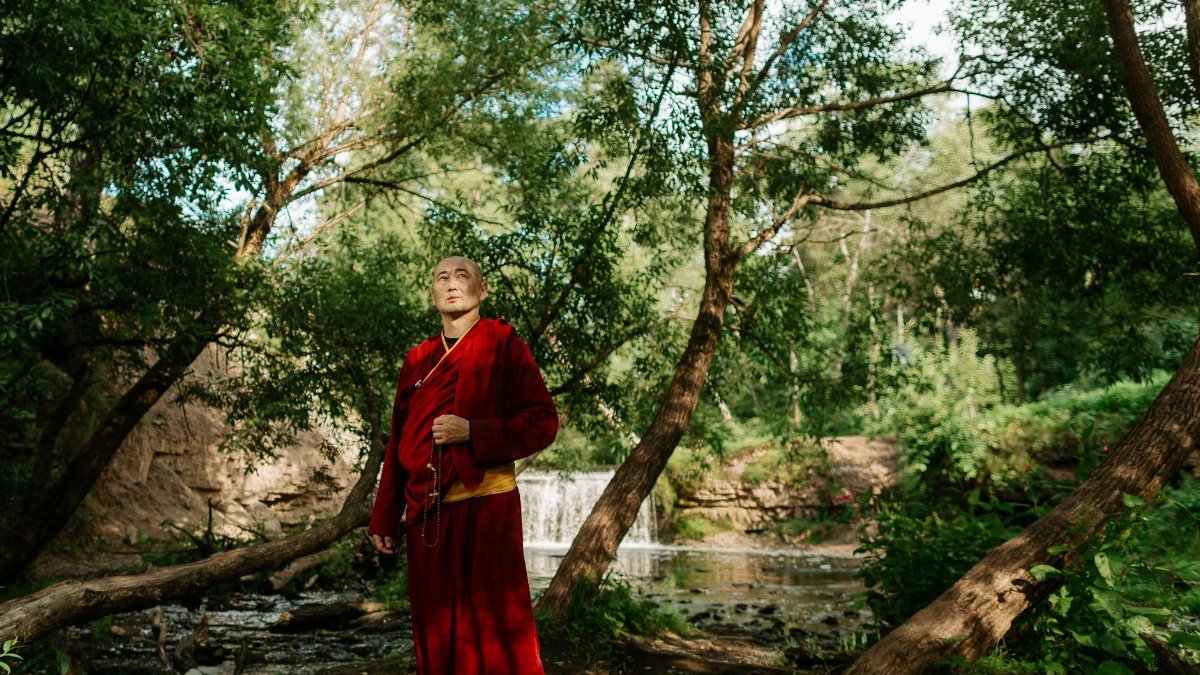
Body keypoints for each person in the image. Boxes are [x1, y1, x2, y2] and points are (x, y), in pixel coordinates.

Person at [367, 255, 558, 674]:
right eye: (442, 277)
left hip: (487, 509)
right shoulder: (418, 360)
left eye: (463, 275)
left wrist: (474, 432)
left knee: (496, 634)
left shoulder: (502, 343)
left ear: (482, 289)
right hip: (427, 517)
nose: (452, 283)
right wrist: (384, 518)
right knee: (437, 633)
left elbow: (543, 423)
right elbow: (399, 440)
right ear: (433, 294)